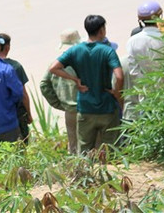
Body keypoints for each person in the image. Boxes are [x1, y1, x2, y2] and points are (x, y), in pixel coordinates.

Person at [48, 15, 124, 155]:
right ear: (102, 30)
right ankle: (107, 173)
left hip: (85, 108)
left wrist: (75, 80)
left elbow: (53, 68)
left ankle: (86, 174)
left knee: (84, 151)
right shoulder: (107, 51)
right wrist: (116, 92)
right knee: (108, 150)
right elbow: (119, 76)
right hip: (107, 107)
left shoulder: (75, 50)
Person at [39, 29, 81, 154]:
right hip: (86, 108)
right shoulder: (82, 61)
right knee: (90, 144)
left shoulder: (54, 64)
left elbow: (44, 85)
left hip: (69, 110)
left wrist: (58, 104)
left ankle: (76, 170)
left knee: (73, 145)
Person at [123, 3, 164, 121]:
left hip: (146, 97)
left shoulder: (132, 41)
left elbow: (134, 72)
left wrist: (148, 86)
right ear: (159, 17)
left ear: (140, 20)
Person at [0, 33, 33, 140]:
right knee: (21, 143)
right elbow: (23, 94)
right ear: (7, 47)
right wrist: (29, 114)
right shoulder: (15, 66)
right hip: (16, 114)